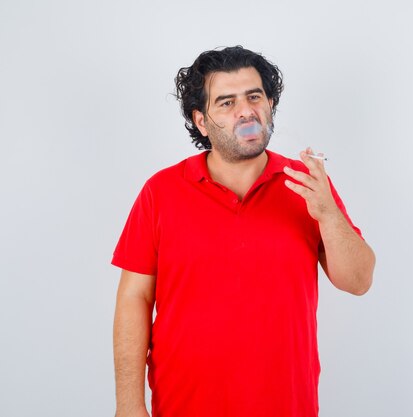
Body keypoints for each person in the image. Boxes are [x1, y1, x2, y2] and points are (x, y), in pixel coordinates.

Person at [112, 46, 375, 417]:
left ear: (270, 104)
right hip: (183, 405)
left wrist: (328, 215)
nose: (245, 111)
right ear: (201, 121)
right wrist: (128, 404)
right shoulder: (161, 191)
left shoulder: (308, 186)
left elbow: (359, 281)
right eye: (226, 102)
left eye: (254, 97)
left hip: (287, 405)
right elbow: (133, 299)